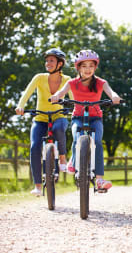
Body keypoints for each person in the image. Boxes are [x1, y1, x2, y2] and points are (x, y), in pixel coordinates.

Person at [50, 49, 122, 191]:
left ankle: (100, 180)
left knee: (97, 142)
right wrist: (56, 96)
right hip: (78, 117)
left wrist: (115, 97)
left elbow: (111, 91)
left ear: (95, 67)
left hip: (96, 118)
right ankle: (74, 160)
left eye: (91, 66)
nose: (88, 69)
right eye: (84, 66)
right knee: (77, 136)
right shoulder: (72, 83)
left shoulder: (101, 82)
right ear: (78, 67)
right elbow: (61, 92)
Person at [15, 48, 72, 196]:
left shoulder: (67, 80)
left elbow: (73, 98)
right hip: (40, 118)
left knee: (60, 128)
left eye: (51, 60)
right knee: (34, 147)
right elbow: (27, 93)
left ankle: (62, 158)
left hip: (59, 116)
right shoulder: (39, 77)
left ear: (60, 63)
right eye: (47, 60)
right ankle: (38, 186)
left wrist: (77, 109)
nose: (48, 63)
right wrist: (21, 106)